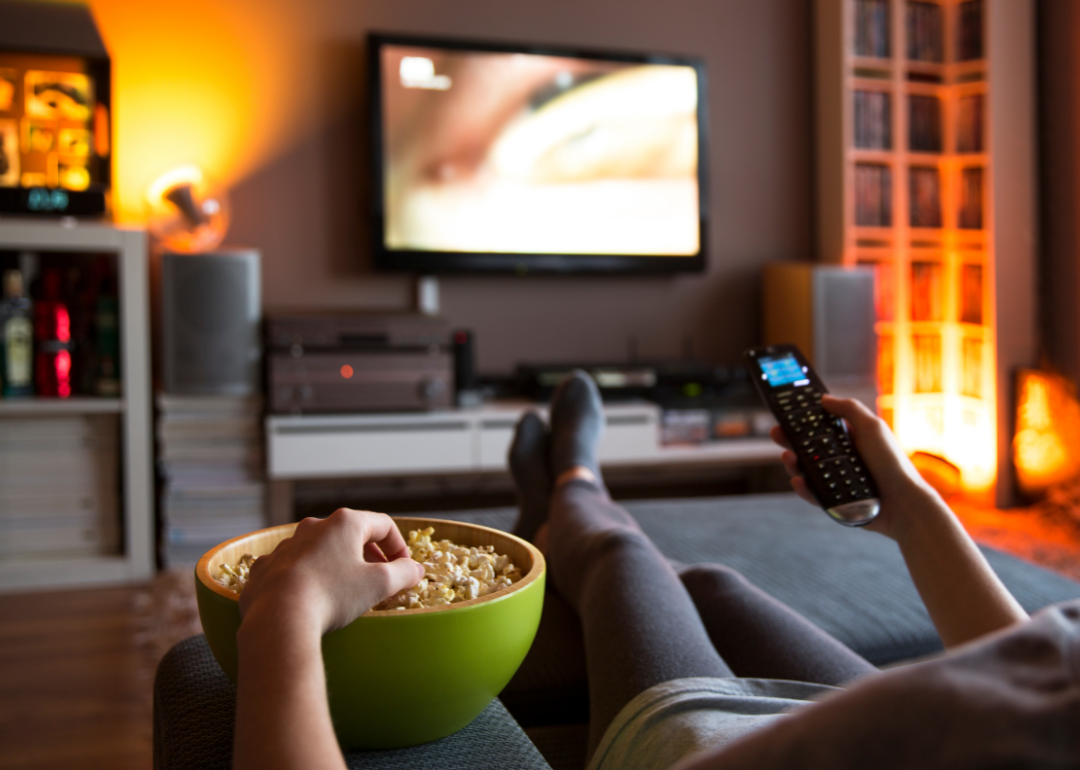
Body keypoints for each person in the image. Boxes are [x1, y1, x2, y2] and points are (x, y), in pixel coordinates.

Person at [232, 372, 1080, 770]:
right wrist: (912, 506)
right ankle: (559, 508)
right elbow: (1041, 661)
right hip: (950, 722)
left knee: (621, 555)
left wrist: (284, 609)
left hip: (702, 750)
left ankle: (574, 485)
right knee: (710, 585)